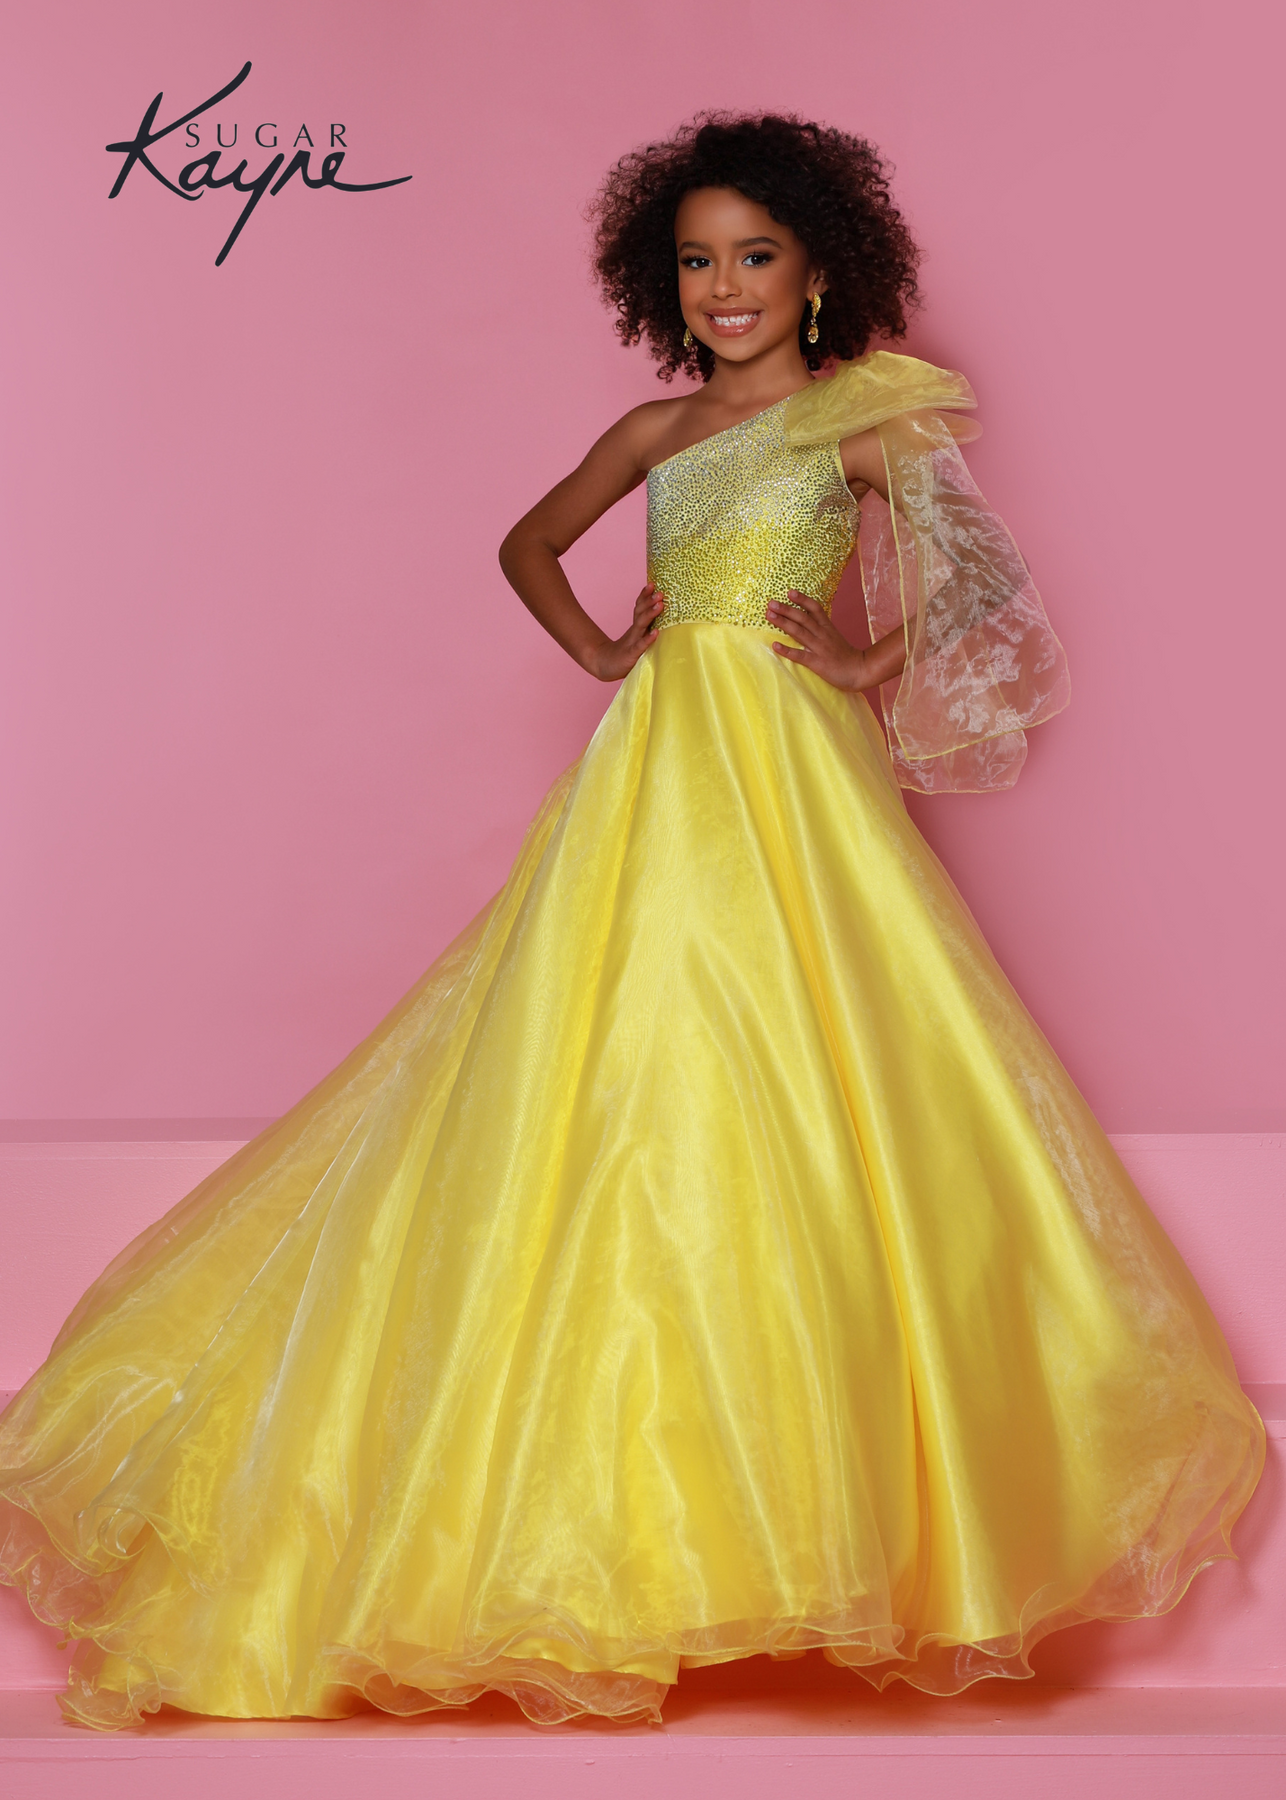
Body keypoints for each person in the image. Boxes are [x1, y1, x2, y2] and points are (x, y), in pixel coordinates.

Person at [0, 113, 1263, 1732]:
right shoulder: (658, 429)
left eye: (755, 256)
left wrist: (863, 663)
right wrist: (606, 648)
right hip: (660, 752)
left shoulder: (854, 420)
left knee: (823, 1036)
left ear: (819, 272)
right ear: (660, 282)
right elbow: (526, 542)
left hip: (792, 765)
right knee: (617, 1021)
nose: (724, 286)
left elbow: (977, 576)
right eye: (695, 261)